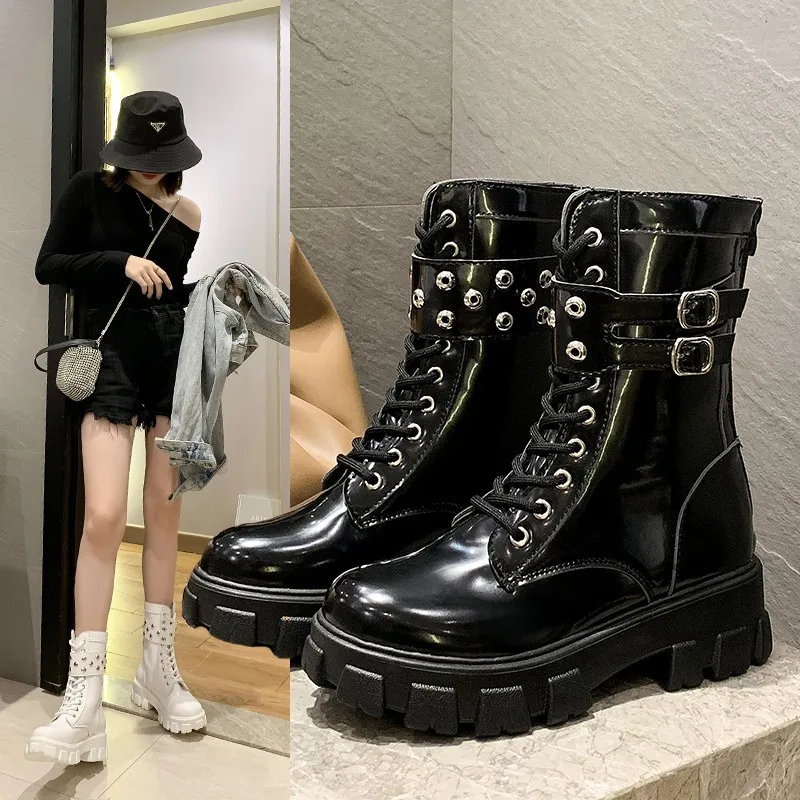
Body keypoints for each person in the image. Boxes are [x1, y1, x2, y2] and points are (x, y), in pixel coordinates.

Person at [26, 91, 206, 765]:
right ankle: (85, 700)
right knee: (104, 516)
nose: (151, 166)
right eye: (141, 154)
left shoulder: (188, 212)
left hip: (171, 368)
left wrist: (214, 301)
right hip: (108, 366)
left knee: (164, 515)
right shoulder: (90, 191)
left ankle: (157, 672)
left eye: (162, 155)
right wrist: (118, 262)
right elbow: (49, 264)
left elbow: (171, 291)